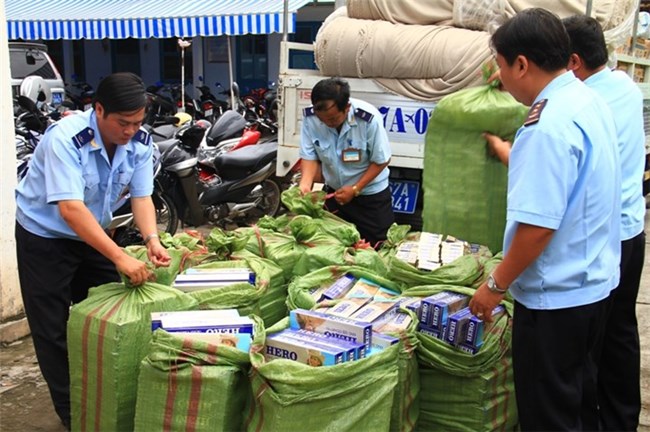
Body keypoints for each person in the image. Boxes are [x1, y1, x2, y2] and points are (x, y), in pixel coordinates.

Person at [467, 8, 621, 431]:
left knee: (548, 414)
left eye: (500, 66)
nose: (499, 78)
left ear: (521, 64)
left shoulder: (545, 124)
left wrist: (494, 285)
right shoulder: (587, 99)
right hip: (594, 287)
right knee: (580, 401)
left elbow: (537, 228)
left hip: (556, 301)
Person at [15, 72, 171, 429]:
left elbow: (141, 195)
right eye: (123, 123)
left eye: (137, 122)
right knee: (52, 329)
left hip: (92, 233)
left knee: (112, 313)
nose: (130, 131)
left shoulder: (140, 142)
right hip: (44, 235)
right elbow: (70, 209)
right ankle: (74, 415)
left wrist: (151, 240)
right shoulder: (65, 140)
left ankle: (105, 394)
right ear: (98, 109)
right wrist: (119, 256)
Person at [562, 15, 646, 431]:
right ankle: (622, 420)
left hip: (606, 239)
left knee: (590, 343)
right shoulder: (625, 87)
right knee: (621, 333)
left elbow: (577, 170)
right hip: (634, 230)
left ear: (573, 61)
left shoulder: (586, 104)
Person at [298, 77, 394, 246]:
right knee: (336, 247)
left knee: (376, 247)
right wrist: (305, 184)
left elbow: (381, 160)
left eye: (333, 119)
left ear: (347, 107)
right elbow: (309, 155)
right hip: (336, 195)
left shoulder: (368, 119)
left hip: (370, 197)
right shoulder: (311, 118)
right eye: (323, 120)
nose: (328, 124)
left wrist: (356, 189)